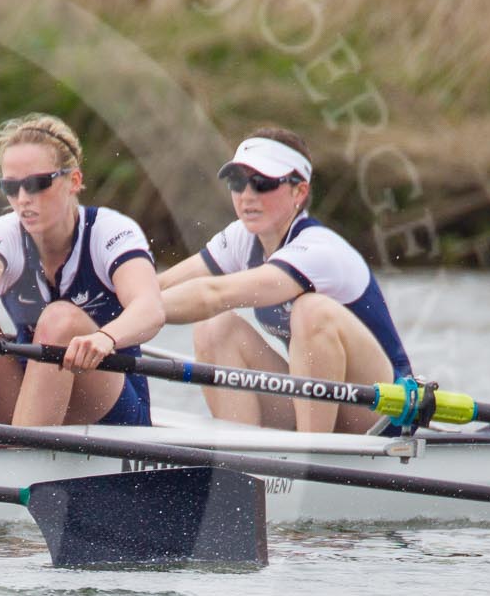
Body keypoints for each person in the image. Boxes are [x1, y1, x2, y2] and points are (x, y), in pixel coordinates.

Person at [156, 125, 412, 433]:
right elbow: (159, 289)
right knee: (214, 327)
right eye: (237, 182)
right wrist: (102, 321)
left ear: (299, 191)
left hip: (383, 414)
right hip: (319, 404)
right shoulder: (242, 237)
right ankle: (238, 462)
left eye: (262, 183)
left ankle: (308, 460)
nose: (247, 196)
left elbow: (212, 294)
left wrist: (137, 315)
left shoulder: (318, 248)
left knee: (311, 310)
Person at [0, 113, 165, 425]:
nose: (24, 199)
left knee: (59, 319)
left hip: (111, 404)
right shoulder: (1, 232)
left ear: (74, 181)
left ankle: (20, 460)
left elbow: (150, 308)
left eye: (38, 184)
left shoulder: (111, 231)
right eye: (11, 187)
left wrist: (106, 337)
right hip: (32, 393)